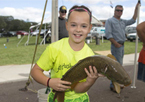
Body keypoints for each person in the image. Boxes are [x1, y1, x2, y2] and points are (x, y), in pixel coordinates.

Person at [31, 5, 103, 102]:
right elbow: (35, 71)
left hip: (80, 99)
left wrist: (89, 82)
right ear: (67, 26)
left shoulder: (90, 56)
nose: (78, 29)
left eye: (83, 26)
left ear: (89, 28)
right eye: (73, 25)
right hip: (55, 98)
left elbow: (77, 89)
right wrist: (49, 82)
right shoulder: (54, 48)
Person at [105, 2, 140, 92]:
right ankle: (113, 85)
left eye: (121, 11)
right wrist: (115, 43)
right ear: (114, 11)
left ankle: (116, 83)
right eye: (118, 10)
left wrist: (136, 8)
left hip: (122, 46)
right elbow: (108, 34)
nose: (119, 12)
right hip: (116, 46)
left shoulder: (123, 21)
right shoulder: (110, 21)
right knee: (116, 67)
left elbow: (133, 20)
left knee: (119, 66)